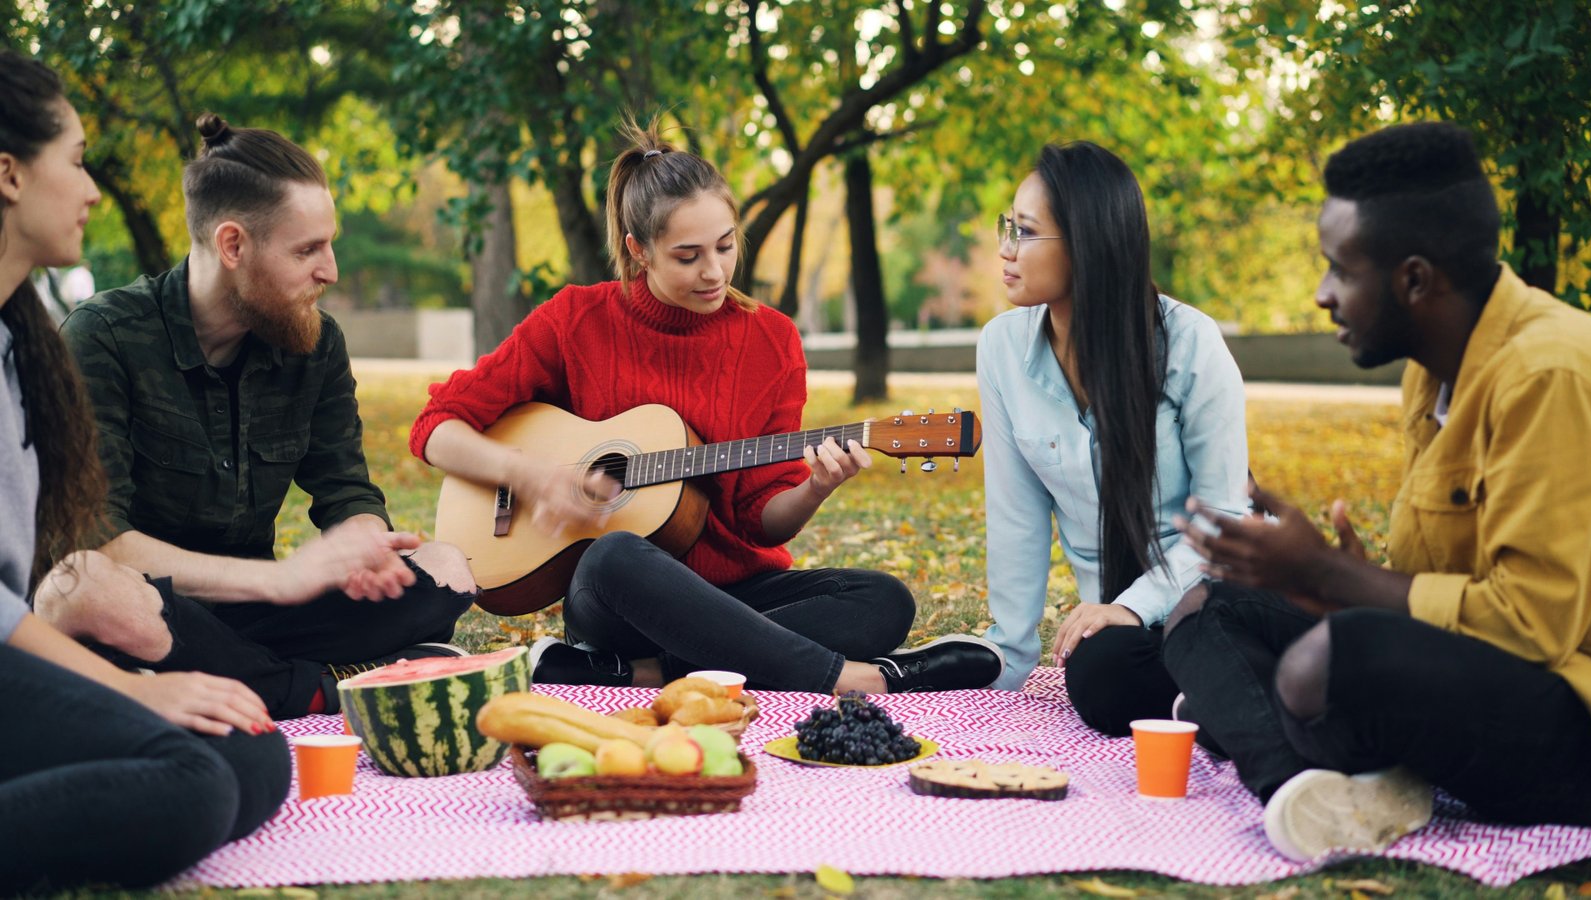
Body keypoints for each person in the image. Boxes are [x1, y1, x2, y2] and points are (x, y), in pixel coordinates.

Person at [411, 119, 1003, 693]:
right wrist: (529, 474)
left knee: (883, 602)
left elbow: (761, 517)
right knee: (618, 553)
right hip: (619, 597)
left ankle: (643, 673)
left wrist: (817, 486)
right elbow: (436, 426)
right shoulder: (575, 321)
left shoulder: (771, 341)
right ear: (638, 249)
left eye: (725, 246)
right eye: (688, 256)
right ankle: (852, 678)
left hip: (737, 593)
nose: (714, 271)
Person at [1167, 122, 1591, 861]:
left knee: (1325, 665)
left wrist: (1333, 578)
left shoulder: (1547, 372)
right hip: (1478, 667)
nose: (1322, 294)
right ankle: (1302, 789)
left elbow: (1534, 624)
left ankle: (1265, 726)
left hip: (1574, 714)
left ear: (1415, 279)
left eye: (1340, 270)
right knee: (1206, 607)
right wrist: (1329, 580)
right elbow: (1445, 588)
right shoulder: (1431, 369)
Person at [47, 114, 478, 721]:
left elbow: (346, 487)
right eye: (307, 250)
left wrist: (364, 545)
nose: (330, 271)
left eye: (329, 245)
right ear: (232, 246)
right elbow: (103, 545)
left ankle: (248, 673)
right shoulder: (104, 339)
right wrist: (282, 580)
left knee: (446, 570)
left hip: (262, 614)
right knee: (90, 589)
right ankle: (310, 692)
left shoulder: (316, 343)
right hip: (150, 605)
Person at [0, 50, 288, 892]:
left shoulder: (21, 342)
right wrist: (135, 693)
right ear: (9, 173)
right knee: (193, 783)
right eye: (79, 160)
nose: (92, 189)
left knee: (254, 754)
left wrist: (144, 693)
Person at [979, 141, 1249, 734]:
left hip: (1219, 593)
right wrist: (1009, 659)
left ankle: (1240, 700)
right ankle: (1226, 705)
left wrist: (1135, 604)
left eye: (1024, 232)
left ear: (1086, 243)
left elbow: (1225, 514)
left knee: (1248, 636)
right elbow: (1016, 517)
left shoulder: (1188, 343)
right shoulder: (1001, 349)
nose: (1005, 248)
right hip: (1124, 636)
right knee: (1099, 673)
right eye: (1008, 226)